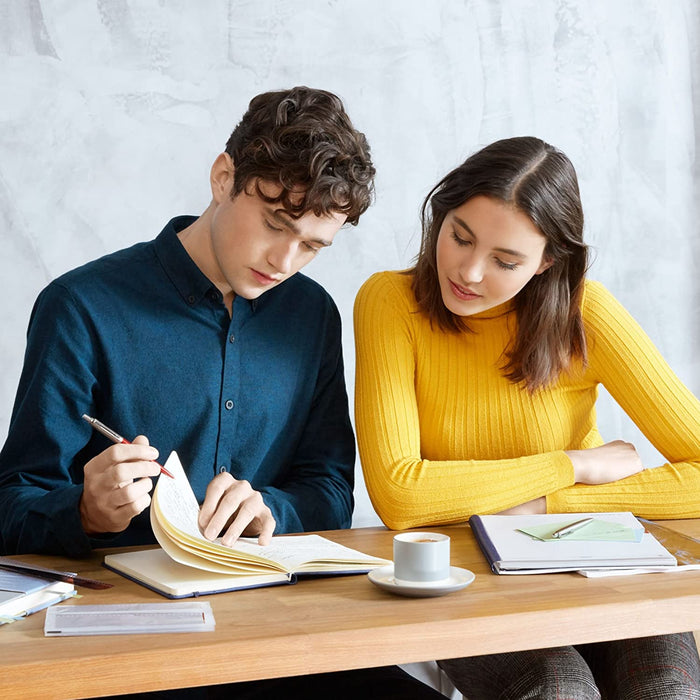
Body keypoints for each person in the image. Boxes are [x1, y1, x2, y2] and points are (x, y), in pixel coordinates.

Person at [0, 86, 444, 699]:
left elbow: (330, 490)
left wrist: (270, 510)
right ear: (222, 177)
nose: (286, 260)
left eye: (313, 246)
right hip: (130, 644)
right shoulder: (81, 307)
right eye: (275, 224)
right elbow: (11, 501)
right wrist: (82, 510)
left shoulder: (311, 315)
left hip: (279, 633)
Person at [354, 136, 700, 699]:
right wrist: (573, 464)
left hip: (601, 559)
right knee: (556, 687)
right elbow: (401, 496)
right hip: (467, 579)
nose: (467, 271)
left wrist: (546, 503)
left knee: (667, 688)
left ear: (547, 262)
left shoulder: (585, 312)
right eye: (459, 236)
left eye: (505, 260)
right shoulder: (390, 303)